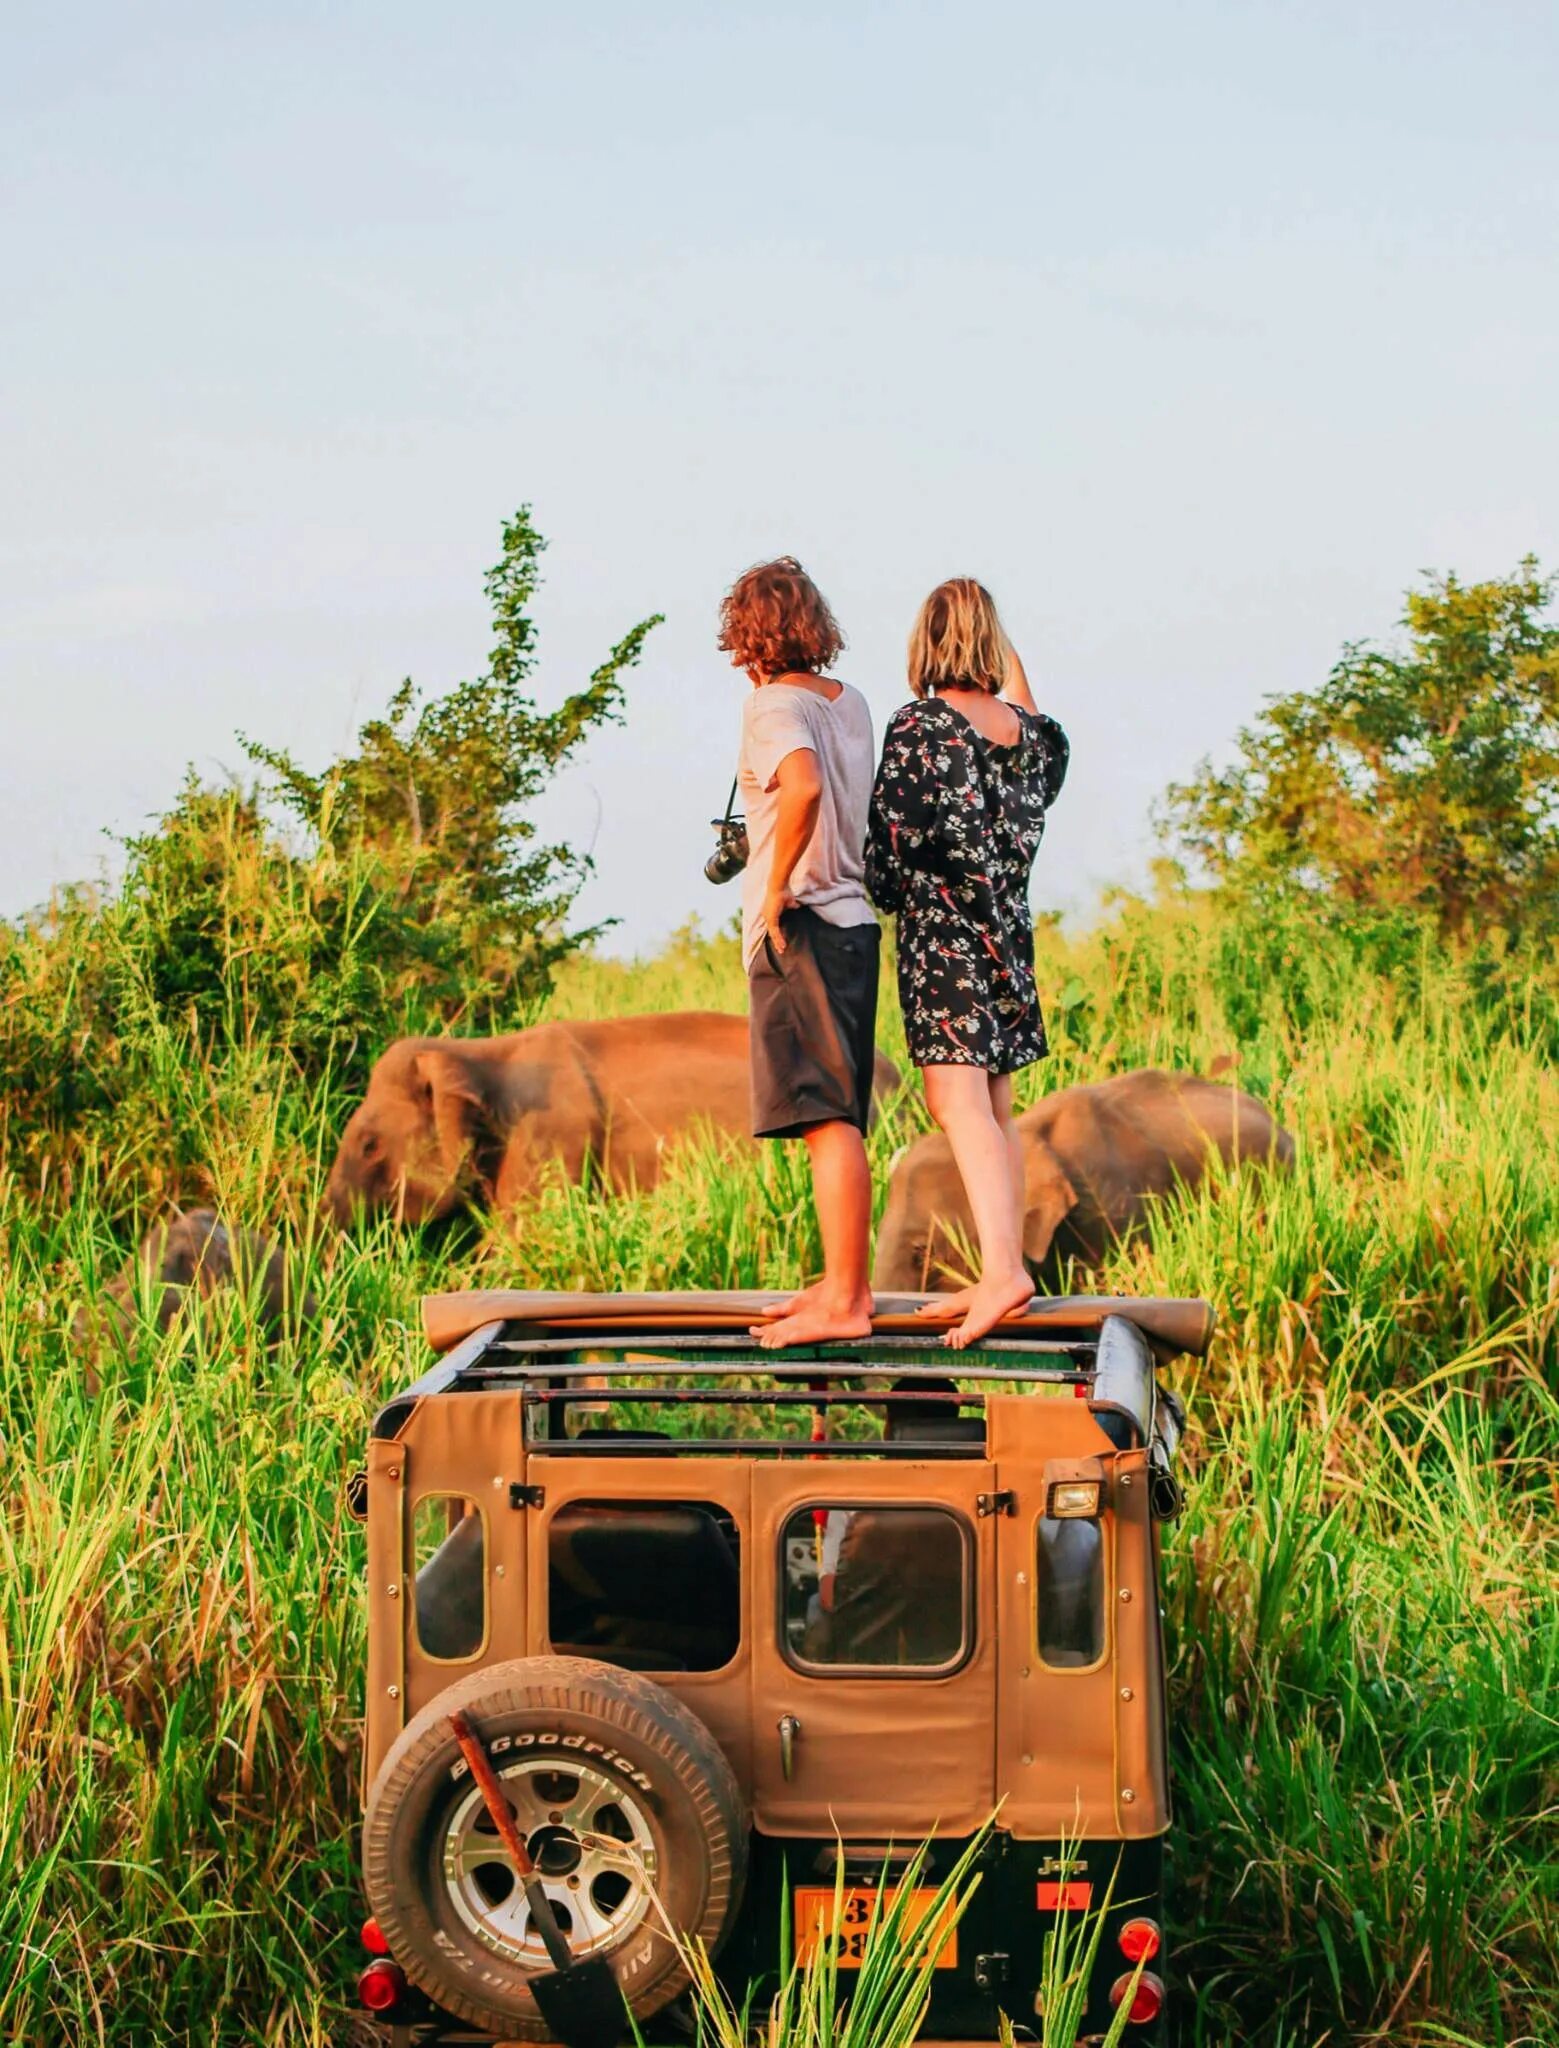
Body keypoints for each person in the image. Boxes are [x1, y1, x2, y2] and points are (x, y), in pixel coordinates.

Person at [865, 579, 1069, 1349]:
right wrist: (993, 640)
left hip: (944, 937)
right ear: (991, 642)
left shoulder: (919, 726)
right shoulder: (1030, 739)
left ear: (925, 641)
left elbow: (888, 854)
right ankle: (1000, 1267)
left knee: (956, 1108)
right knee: (994, 1110)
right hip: (1007, 936)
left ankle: (1003, 1274)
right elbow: (1028, 702)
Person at [719, 557, 881, 1349]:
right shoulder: (848, 703)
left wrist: (776, 883)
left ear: (745, 633)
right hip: (853, 920)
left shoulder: (771, 704)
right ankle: (839, 1278)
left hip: (803, 924)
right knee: (838, 1113)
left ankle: (847, 1300)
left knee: (824, 1121)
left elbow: (804, 783)